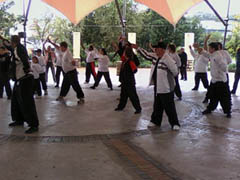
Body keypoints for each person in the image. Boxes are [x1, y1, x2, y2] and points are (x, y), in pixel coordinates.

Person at [135, 42, 180, 130]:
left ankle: (175, 123)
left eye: (157, 48)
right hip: (158, 87)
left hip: (166, 88)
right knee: (157, 105)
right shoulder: (156, 57)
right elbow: (147, 55)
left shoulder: (168, 59)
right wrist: (138, 48)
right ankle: (155, 121)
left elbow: (175, 72)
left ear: (162, 49)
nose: (155, 50)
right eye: (155, 48)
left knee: (169, 107)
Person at [0, 35, 39, 134]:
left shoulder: (20, 49)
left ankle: (34, 124)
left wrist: (26, 68)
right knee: (16, 100)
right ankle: (19, 119)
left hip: (25, 79)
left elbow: (25, 59)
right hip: (19, 79)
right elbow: (9, 47)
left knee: (27, 102)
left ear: (13, 42)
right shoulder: (16, 48)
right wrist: (2, 39)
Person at [195, 42, 231, 118]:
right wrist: (197, 47)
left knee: (224, 97)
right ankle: (210, 109)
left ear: (213, 49)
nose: (208, 49)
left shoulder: (218, 56)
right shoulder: (212, 54)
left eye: (209, 48)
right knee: (213, 96)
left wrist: (219, 70)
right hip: (214, 80)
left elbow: (224, 67)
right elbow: (204, 53)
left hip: (221, 81)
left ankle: (228, 112)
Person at [114, 47, 142, 114]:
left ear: (126, 53)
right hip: (124, 82)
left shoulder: (130, 61)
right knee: (123, 95)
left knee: (133, 96)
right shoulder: (125, 61)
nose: (123, 53)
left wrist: (128, 74)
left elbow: (135, 70)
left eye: (124, 52)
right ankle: (120, 107)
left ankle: (138, 109)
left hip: (129, 82)